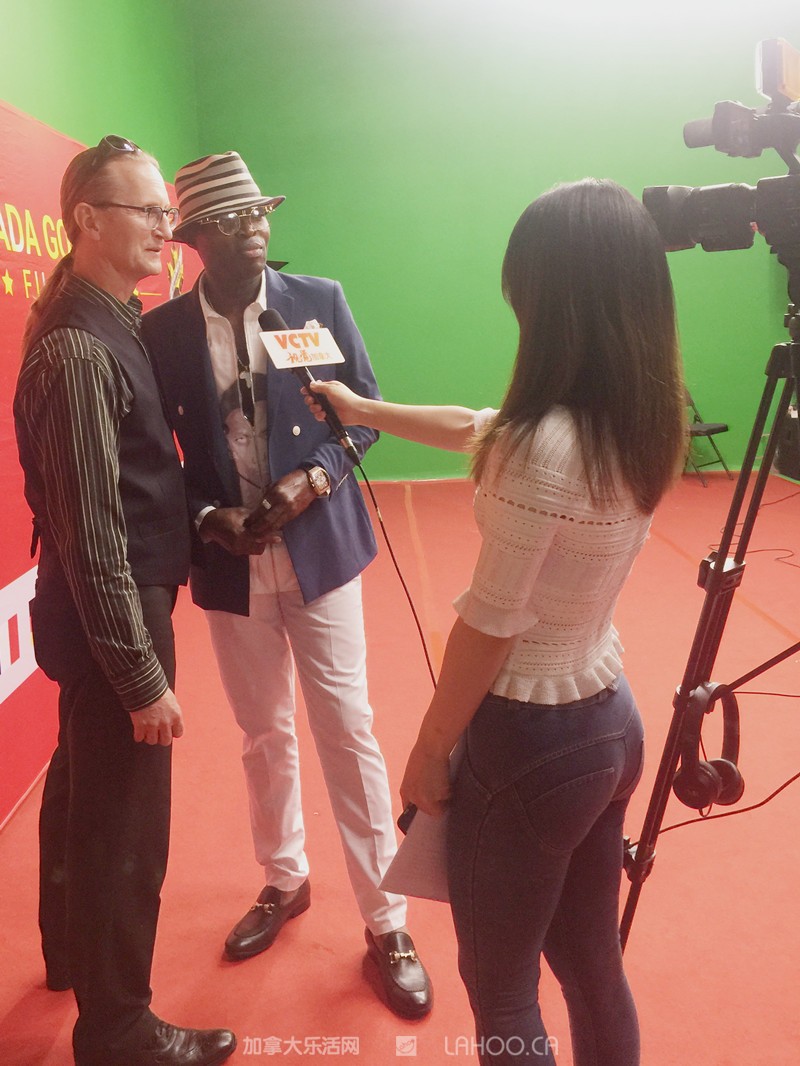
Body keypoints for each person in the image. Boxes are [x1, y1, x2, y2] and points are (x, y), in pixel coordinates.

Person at [306, 178, 686, 1065]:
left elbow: (491, 623)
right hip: (609, 721)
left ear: (551, 299)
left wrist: (429, 750)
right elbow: (478, 426)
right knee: (591, 962)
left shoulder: (538, 449)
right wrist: (365, 411)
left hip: (528, 741)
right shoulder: (636, 418)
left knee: (501, 986)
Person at [141, 152, 432, 1020]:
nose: (256, 227)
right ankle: (285, 878)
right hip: (231, 564)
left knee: (347, 727)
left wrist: (312, 480)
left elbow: (363, 417)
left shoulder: (317, 302)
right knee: (261, 731)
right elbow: (152, 456)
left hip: (319, 553)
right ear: (195, 237)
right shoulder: (162, 334)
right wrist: (207, 519)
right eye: (234, 218)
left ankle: (387, 922)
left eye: (260, 211)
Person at [14, 136, 237, 1066]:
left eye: (165, 212)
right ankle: (118, 1030)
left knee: (83, 792)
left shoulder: (104, 316)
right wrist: (142, 678)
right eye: (147, 211)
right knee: (125, 832)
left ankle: (70, 958)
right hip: (117, 618)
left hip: (106, 612)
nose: (165, 228)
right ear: (88, 221)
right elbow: (92, 536)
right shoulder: (78, 345)